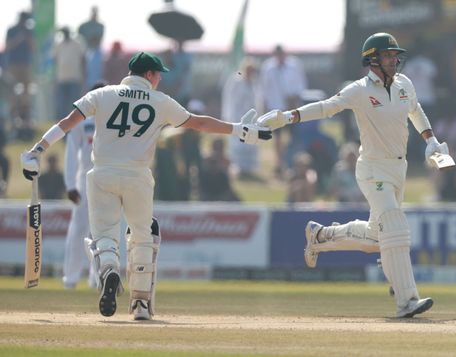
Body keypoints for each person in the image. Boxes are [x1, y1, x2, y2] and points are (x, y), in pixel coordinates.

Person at [21, 52, 271, 321]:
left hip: (102, 173)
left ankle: (108, 270)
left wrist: (37, 150)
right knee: (142, 236)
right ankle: (140, 304)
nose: (160, 78)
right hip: (137, 177)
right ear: (149, 74)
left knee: (104, 235)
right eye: (158, 74)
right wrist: (239, 130)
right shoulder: (160, 101)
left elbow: (66, 123)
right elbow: (198, 123)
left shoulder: (103, 94)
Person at [257, 33, 449, 318]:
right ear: (372, 59)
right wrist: (288, 117)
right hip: (372, 170)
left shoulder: (404, 84)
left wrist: (431, 140)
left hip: (399, 169)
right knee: (395, 226)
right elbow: (326, 107)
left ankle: (320, 236)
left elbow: (416, 111)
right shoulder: (359, 90)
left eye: (395, 55)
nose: (394, 60)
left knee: (376, 238)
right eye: (387, 55)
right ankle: (406, 299)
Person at [62, 81, 106, 289]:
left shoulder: (113, 116)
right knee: (78, 229)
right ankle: (70, 279)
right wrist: (70, 184)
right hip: (84, 178)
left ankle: (98, 278)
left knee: (103, 230)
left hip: (107, 177)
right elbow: (71, 151)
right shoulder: (81, 119)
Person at [260, 45, 307, 178]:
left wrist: (295, 97)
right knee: (278, 138)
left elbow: (301, 84)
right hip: (276, 108)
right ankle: (279, 164)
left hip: (292, 108)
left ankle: (293, 163)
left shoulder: (294, 65)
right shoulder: (268, 68)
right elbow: (264, 89)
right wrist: (265, 106)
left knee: (293, 137)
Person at [222, 57, 262, 181]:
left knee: (250, 142)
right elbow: (229, 100)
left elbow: (257, 101)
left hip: (251, 118)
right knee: (237, 143)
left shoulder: (254, 83)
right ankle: (237, 168)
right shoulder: (236, 81)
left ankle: (248, 168)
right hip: (237, 117)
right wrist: (229, 116)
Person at [53, 27, 86, 119]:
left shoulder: (77, 43)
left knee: (74, 102)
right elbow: (56, 59)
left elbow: (83, 59)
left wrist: (84, 75)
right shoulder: (59, 44)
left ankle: (74, 122)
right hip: (62, 78)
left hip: (74, 78)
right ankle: (62, 123)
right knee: (62, 103)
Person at [78, 6, 105, 90]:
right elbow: (80, 35)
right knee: (87, 73)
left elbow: (98, 39)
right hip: (86, 50)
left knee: (97, 73)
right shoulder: (84, 25)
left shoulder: (100, 25)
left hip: (96, 51)